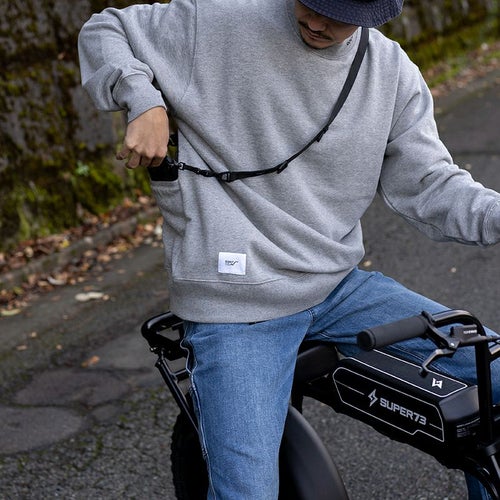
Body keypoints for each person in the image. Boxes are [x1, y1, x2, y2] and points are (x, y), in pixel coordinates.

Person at [78, 1, 500, 498]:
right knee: (248, 493)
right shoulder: (221, 20)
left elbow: (431, 185)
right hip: (237, 303)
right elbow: (105, 28)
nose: (317, 22)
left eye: (338, 15)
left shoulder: (390, 72)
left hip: (338, 286)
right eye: (312, 3)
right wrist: (142, 99)